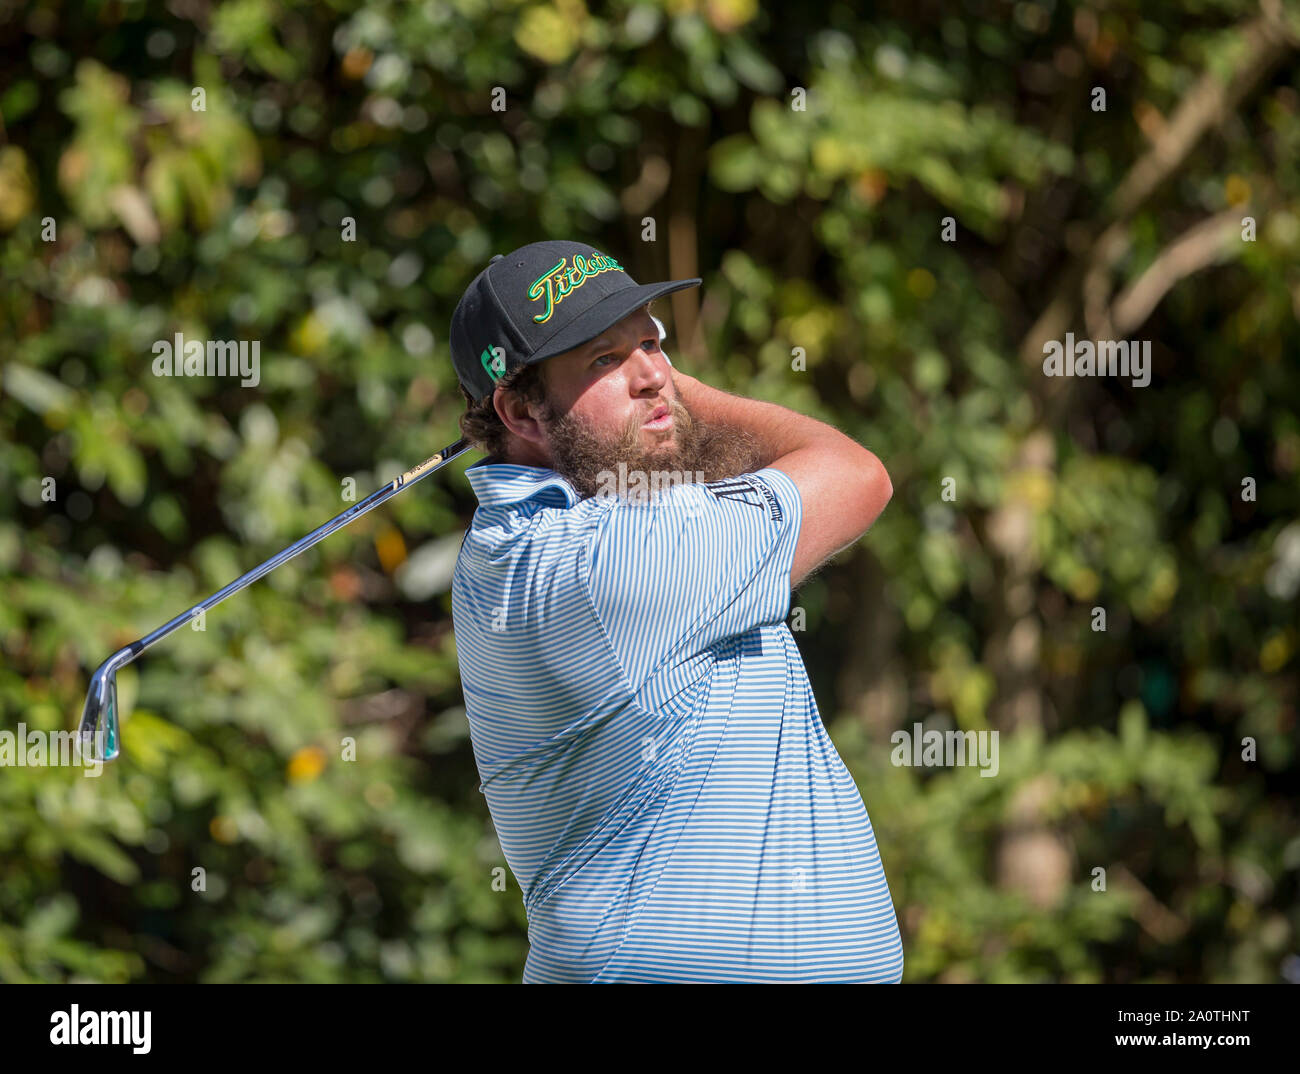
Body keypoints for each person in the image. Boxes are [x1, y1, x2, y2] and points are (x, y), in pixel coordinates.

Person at [449, 240, 901, 982]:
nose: (653, 373)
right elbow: (857, 475)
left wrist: (639, 392)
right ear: (520, 410)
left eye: (653, 342)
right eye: (604, 359)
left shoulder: (503, 552)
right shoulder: (614, 562)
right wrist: (681, 394)